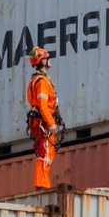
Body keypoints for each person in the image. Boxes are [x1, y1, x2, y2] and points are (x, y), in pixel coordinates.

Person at [26, 46, 64, 189]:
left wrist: (57, 118)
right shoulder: (41, 81)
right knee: (44, 154)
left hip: (42, 121)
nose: (50, 60)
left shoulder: (36, 80)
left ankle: (43, 184)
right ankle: (42, 185)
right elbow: (42, 105)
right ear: (42, 61)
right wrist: (51, 123)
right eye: (47, 58)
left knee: (46, 155)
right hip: (44, 123)